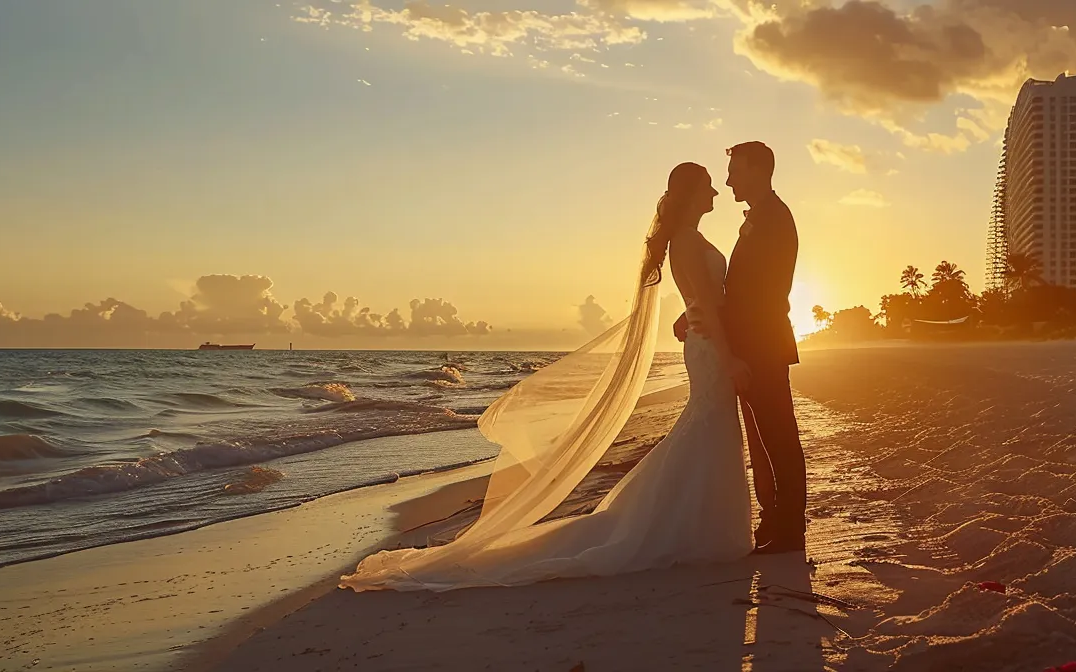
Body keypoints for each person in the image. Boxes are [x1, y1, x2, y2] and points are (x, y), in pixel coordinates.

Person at [340, 162, 753, 592]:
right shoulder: (686, 240)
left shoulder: (687, 239)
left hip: (704, 343)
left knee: (708, 428)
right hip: (710, 350)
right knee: (708, 427)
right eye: (708, 187)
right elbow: (708, 303)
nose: (716, 194)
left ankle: (693, 524)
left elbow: (702, 303)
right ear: (690, 194)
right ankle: (691, 529)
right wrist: (729, 359)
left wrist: (690, 320)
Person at [676, 141, 804, 554]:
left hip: (761, 343)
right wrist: (697, 309)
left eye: (734, 170)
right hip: (751, 343)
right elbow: (736, 290)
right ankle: (776, 522)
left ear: (757, 170)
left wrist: (724, 333)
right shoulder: (762, 218)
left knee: (780, 436)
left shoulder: (773, 220)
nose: (728, 179)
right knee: (767, 437)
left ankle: (789, 530)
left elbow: (760, 296)